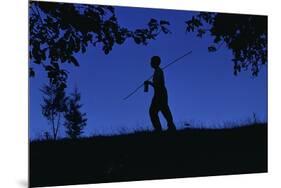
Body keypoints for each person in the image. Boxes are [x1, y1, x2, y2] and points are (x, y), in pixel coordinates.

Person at [144, 56, 176, 132]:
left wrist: (149, 83)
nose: (150, 63)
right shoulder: (157, 71)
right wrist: (149, 83)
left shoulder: (159, 71)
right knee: (161, 110)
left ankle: (161, 128)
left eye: (151, 61)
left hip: (160, 93)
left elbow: (158, 85)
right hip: (158, 93)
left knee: (157, 111)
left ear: (155, 62)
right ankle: (167, 127)